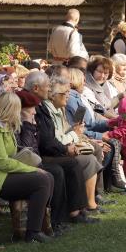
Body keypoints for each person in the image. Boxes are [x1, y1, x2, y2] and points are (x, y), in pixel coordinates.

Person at [0, 92, 55, 243]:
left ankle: (42, 227)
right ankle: (32, 233)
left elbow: (11, 154)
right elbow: (1, 161)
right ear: (10, 109)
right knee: (41, 180)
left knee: (48, 177)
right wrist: (33, 169)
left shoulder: (3, 125)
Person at [27, 72, 105, 215]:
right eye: (65, 93)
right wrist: (70, 143)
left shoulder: (51, 108)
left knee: (93, 151)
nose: (68, 96)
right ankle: (80, 208)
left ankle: (88, 202)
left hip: (51, 149)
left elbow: (56, 137)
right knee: (82, 161)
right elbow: (49, 140)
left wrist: (76, 137)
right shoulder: (43, 109)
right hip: (45, 153)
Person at [16, 90, 90, 232]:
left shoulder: (41, 111)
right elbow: (30, 147)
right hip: (35, 158)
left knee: (71, 164)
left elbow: (40, 143)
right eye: (31, 109)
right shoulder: (27, 120)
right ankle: (56, 220)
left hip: (40, 155)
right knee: (57, 170)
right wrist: (28, 125)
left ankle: (76, 210)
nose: (33, 112)